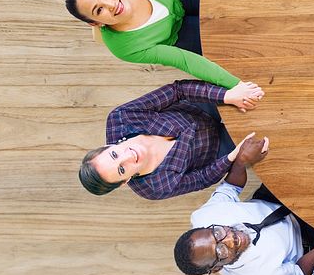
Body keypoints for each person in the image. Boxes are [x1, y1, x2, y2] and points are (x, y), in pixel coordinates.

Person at [64, 0, 263, 88]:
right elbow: (184, 60)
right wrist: (236, 86)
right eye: (99, 10)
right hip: (178, 36)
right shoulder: (124, 48)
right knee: (238, 41)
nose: (111, 5)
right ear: (96, 23)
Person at [173, 136, 314, 275]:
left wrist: (240, 162)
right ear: (217, 269)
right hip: (308, 235)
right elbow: (299, 271)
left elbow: (231, 188)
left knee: (304, 153)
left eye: (217, 233)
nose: (229, 240)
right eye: (220, 250)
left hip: (271, 198)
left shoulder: (203, 217)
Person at [78, 78, 264, 200]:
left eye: (114, 155)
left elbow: (178, 91)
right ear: (125, 181)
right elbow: (201, 179)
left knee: (254, 92)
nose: (127, 157)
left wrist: (226, 96)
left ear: (108, 145)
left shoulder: (121, 118)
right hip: (219, 150)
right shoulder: (154, 188)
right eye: (121, 169)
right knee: (268, 135)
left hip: (200, 106)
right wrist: (234, 156)